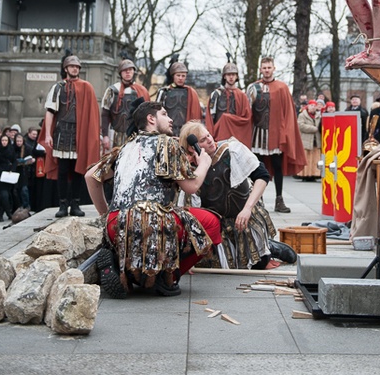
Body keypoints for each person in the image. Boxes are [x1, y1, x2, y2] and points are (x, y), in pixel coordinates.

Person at [85, 101, 220, 298]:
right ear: (151, 119)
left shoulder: (125, 147)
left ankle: (127, 270)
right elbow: (191, 187)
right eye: (164, 114)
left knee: (147, 225)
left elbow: (90, 176)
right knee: (213, 223)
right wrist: (205, 163)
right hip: (153, 224)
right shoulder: (168, 144)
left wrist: (106, 215)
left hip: (116, 225)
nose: (170, 118)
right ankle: (166, 277)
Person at [179, 122, 295, 269]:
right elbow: (188, 211)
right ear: (192, 147)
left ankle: (268, 247)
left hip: (245, 217)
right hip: (219, 225)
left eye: (208, 135)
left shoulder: (232, 150)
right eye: (202, 140)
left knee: (259, 265)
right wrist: (188, 257)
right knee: (211, 265)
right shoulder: (190, 169)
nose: (209, 140)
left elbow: (263, 176)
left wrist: (247, 208)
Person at [40, 54, 101, 218]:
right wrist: (47, 134)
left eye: (77, 66)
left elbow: (93, 114)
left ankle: (75, 203)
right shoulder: (57, 87)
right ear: (66, 69)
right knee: (62, 170)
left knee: (77, 170)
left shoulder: (87, 87)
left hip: (79, 134)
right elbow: (50, 112)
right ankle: (62, 204)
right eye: (72, 66)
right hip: (61, 133)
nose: (75, 68)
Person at [246, 57, 306, 213]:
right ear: (260, 69)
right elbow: (247, 112)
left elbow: (288, 113)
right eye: (264, 67)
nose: (266, 70)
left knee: (277, 166)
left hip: (275, 135)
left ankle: (279, 200)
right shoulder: (253, 87)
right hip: (257, 136)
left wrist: (285, 133)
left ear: (274, 68)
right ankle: (257, 201)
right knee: (257, 168)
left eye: (269, 67)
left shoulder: (282, 88)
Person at [101, 58, 150, 151]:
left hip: (135, 136)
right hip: (115, 135)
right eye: (125, 70)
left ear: (133, 72)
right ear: (120, 73)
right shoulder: (112, 90)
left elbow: (147, 116)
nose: (128, 72)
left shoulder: (141, 91)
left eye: (130, 70)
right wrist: (105, 136)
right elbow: (105, 114)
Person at [205, 61, 252, 149]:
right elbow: (210, 119)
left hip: (236, 138)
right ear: (224, 76)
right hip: (218, 136)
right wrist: (210, 137)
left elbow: (246, 119)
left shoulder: (242, 96)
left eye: (233, 74)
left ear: (237, 76)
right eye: (228, 74)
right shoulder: (216, 94)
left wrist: (227, 119)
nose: (231, 77)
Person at [155, 58, 203, 139]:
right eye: (178, 75)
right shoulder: (164, 92)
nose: (180, 78)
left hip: (185, 132)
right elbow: (156, 113)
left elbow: (197, 115)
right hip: (167, 132)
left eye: (183, 76)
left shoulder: (191, 93)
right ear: (173, 76)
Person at [296, 100, 321, 179]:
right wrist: (314, 129)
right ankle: (305, 174)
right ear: (308, 106)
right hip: (306, 140)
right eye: (311, 105)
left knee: (315, 159)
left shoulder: (319, 116)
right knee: (307, 159)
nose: (313, 107)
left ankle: (315, 174)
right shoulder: (302, 115)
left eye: (314, 105)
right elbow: (301, 126)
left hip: (316, 141)